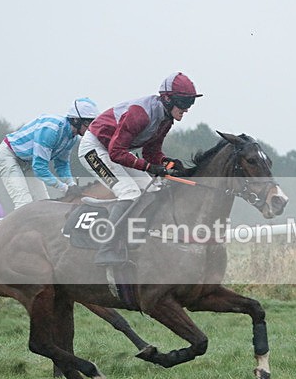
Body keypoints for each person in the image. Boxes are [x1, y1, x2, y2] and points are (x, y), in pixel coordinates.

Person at [77, 72, 202, 263]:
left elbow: (151, 154)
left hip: (115, 149)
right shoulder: (140, 114)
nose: (186, 109)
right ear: (168, 99)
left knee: (154, 189)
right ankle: (106, 248)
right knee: (129, 192)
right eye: (183, 102)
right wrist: (151, 167)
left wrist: (167, 162)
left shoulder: (166, 120)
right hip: (94, 149)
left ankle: (138, 239)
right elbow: (116, 153)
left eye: (190, 103)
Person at [0, 97, 100, 209]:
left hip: (28, 161)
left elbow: (61, 165)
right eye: (88, 123)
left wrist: (71, 184)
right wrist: (64, 188)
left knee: (44, 205)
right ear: (76, 120)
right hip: (8, 156)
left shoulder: (71, 138)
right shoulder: (51, 130)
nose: (91, 129)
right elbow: (40, 169)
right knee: (24, 203)